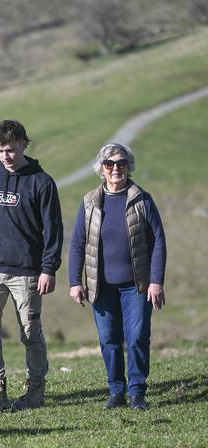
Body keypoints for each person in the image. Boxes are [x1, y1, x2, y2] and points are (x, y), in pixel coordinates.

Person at [0, 119, 63, 413]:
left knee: (30, 332)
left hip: (28, 271)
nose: (5, 156)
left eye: (10, 150)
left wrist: (49, 268)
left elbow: (53, 230)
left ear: (24, 145)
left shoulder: (42, 182)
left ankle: (35, 389)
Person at [69, 143, 166, 411]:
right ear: (101, 169)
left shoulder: (142, 199)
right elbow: (78, 243)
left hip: (137, 286)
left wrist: (156, 281)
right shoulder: (89, 201)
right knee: (109, 340)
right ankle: (116, 391)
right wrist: (75, 282)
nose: (115, 169)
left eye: (121, 164)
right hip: (100, 287)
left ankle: (137, 393)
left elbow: (158, 241)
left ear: (128, 167)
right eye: (109, 164)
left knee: (136, 337)